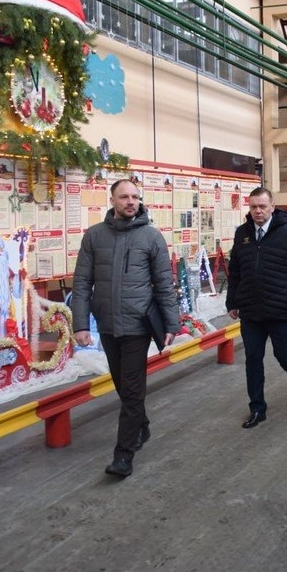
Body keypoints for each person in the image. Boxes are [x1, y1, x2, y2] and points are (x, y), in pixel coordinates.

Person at [72, 179, 179, 477]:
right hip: (107, 324)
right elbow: (82, 283)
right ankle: (141, 425)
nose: (131, 201)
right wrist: (80, 323)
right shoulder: (94, 236)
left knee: (132, 389)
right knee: (122, 385)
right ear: (112, 201)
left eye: (135, 197)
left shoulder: (152, 237)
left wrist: (172, 323)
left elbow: (164, 284)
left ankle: (123, 456)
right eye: (124, 197)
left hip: (137, 325)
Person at [227, 187, 287, 429]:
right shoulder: (243, 233)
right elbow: (235, 271)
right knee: (253, 360)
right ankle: (257, 408)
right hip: (251, 311)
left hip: (281, 310)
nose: (258, 211)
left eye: (262, 206)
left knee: (285, 356)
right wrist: (232, 301)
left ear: (272, 207)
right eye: (253, 207)